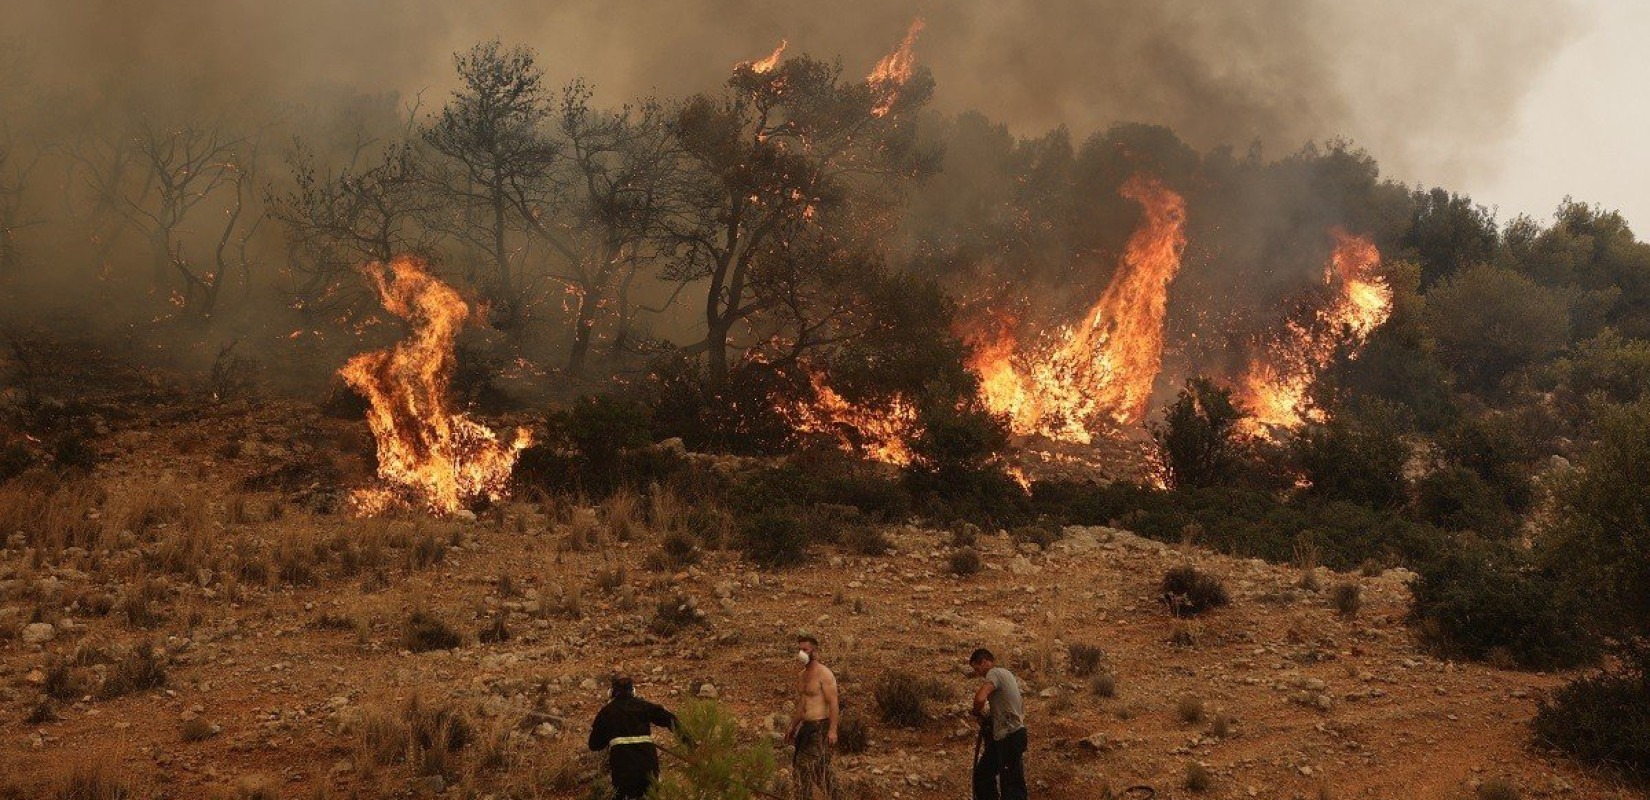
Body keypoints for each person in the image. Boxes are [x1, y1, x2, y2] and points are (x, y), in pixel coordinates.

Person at [588, 675, 678, 800]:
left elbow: (594, 745)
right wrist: (689, 742)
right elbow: (671, 720)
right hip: (648, 765)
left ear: (611, 693)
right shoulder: (645, 706)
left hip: (623, 769)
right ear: (633, 691)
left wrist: (608, 734)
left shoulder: (606, 712)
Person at [784, 634, 839, 800]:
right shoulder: (802, 676)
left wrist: (833, 730)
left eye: (805, 649)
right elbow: (802, 705)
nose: (801, 653)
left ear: (814, 652)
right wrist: (792, 726)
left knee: (804, 767)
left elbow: (834, 703)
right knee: (818, 770)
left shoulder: (824, 674)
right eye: (799, 649)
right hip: (806, 728)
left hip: (820, 727)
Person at [969, 648, 1027, 800]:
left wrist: (976, 712)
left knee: (1012, 788)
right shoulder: (1007, 674)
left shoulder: (993, 673)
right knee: (983, 775)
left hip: (1009, 735)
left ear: (985, 662)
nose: (978, 673)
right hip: (1006, 735)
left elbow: (980, 698)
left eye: (977, 668)